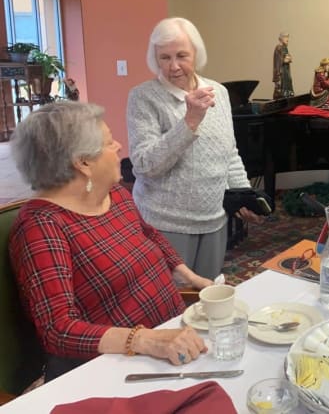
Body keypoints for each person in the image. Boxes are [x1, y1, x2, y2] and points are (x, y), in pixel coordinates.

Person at [9, 102, 212, 381]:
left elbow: (148, 234)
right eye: (108, 142)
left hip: (172, 340)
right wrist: (146, 340)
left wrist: (189, 275)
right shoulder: (41, 227)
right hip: (118, 369)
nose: (118, 146)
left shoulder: (114, 195)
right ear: (83, 163)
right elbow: (58, 329)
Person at [127, 17, 261, 279]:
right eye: (164, 58)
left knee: (206, 298)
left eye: (181, 56)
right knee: (173, 304)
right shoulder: (143, 97)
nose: (174, 66)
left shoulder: (219, 93)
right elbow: (144, 166)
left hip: (213, 219)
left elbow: (229, 152)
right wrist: (189, 121)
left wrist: (243, 193)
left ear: (196, 54)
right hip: (165, 223)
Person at [272, 32, 294, 99]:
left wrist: (289, 58)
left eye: (287, 37)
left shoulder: (285, 48)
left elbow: (287, 56)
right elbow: (277, 60)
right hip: (281, 70)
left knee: (289, 81)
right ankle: (282, 96)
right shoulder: (278, 47)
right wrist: (284, 60)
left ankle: (288, 95)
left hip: (286, 70)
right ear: (281, 38)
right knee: (282, 84)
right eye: (285, 37)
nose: (287, 39)